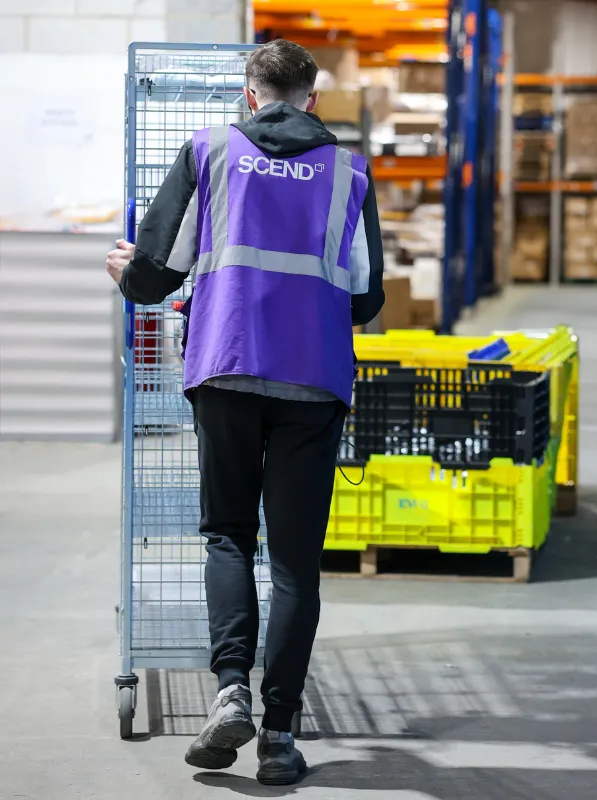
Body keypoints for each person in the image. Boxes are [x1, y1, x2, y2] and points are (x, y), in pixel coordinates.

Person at [106, 39, 384, 785]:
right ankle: (282, 735)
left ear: (248, 96)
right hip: (314, 379)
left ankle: (229, 692)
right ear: (313, 100)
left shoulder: (210, 152)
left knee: (228, 538)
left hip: (226, 367)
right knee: (294, 563)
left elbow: (156, 272)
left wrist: (126, 272)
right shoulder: (350, 171)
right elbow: (366, 298)